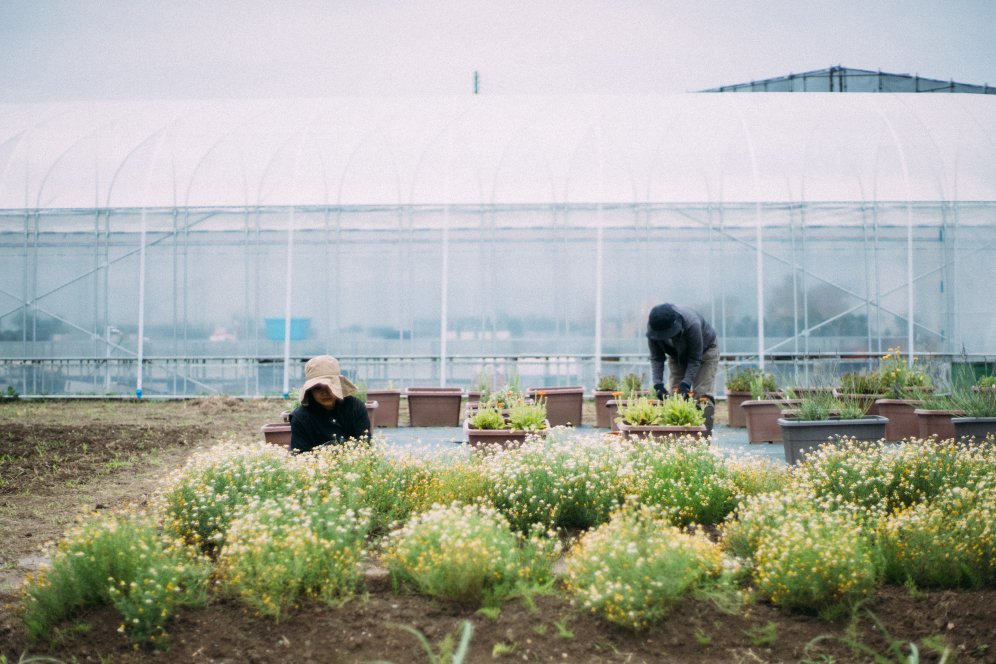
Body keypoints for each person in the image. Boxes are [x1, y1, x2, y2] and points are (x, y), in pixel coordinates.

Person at [646, 303, 719, 435]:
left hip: (705, 353)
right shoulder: (654, 325)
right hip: (676, 355)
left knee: (702, 396)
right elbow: (656, 357)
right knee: (675, 398)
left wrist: (686, 383)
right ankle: (677, 442)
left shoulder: (691, 323)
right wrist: (657, 384)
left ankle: (702, 443)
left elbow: (695, 359)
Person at [289, 355, 371, 453]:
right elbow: (300, 455)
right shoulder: (300, 418)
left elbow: (364, 446)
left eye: (330, 386)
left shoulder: (356, 407)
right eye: (317, 388)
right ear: (310, 390)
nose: (325, 393)